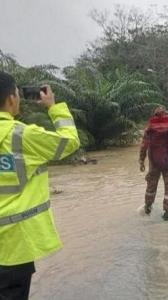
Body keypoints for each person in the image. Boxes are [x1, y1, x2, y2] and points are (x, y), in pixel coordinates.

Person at [0, 72, 80, 300]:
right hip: (14, 245)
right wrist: (53, 107)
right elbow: (70, 141)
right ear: (11, 99)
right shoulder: (22, 136)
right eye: (16, 93)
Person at [139, 106, 168, 221]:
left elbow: (144, 146)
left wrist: (141, 160)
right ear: (166, 115)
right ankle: (167, 213)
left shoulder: (149, 128)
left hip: (154, 162)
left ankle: (147, 207)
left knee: (151, 185)